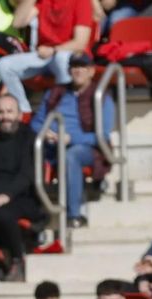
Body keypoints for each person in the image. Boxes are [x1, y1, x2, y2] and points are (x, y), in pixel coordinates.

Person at [30, 52, 110, 230]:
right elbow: (36, 123)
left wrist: (71, 138)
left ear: (91, 71)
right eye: (74, 67)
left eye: (83, 67)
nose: (78, 71)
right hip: (51, 145)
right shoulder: (55, 92)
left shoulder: (101, 96)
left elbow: (102, 136)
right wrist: (46, 132)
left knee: (70, 155)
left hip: (85, 148)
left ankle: (74, 214)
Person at [0, 93, 42, 283]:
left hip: (21, 197)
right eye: (1, 112)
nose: (5, 116)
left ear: (20, 115)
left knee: (2, 212)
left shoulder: (30, 140)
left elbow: (27, 175)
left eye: (10, 111)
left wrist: (6, 195)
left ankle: (17, 259)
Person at [0, 0, 93, 116]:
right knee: (3, 66)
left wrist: (54, 50)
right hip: (44, 55)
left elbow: (80, 43)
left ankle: (66, 112)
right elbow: (17, 23)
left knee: (60, 59)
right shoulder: (43, 2)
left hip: (69, 55)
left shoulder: (82, 2)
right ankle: (24, 112)